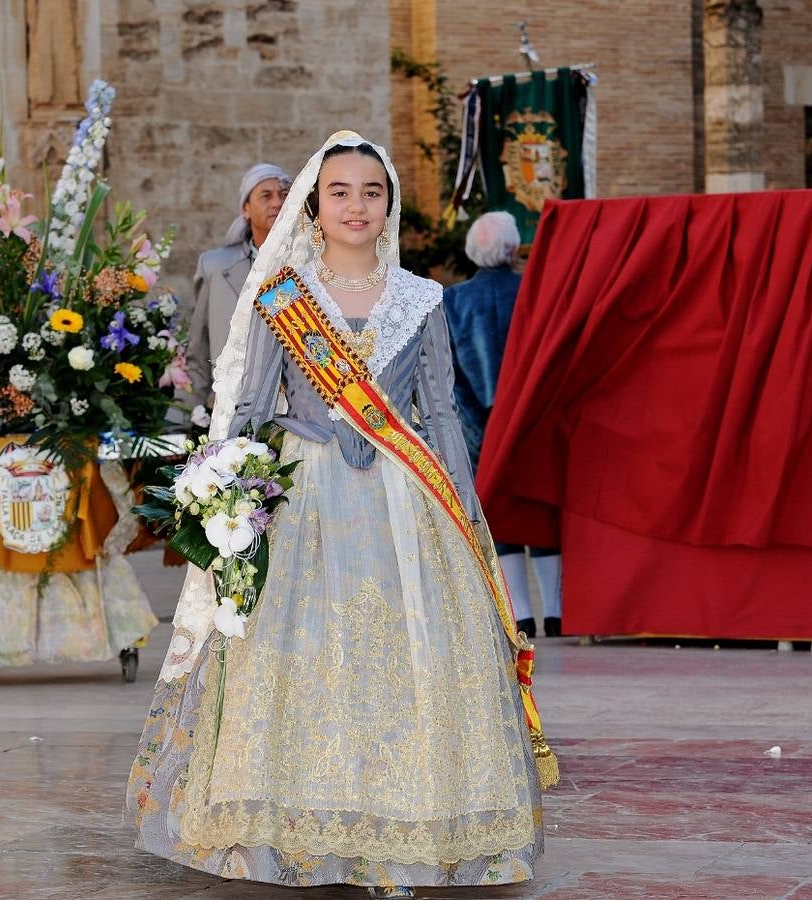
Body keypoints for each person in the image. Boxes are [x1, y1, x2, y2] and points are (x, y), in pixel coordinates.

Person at [127, 132, 551, 898]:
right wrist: (232, 498)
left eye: (372, 192)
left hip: (407, 498)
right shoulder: (281, 294)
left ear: (389, 204)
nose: (357, 206)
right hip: (304, 500)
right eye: (340, 193)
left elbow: (443, 415)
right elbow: (252, 408)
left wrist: (466, 506)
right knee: (308, 651)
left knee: (411, 651)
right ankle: (301, 828)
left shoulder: (423, 298)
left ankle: (410, 823)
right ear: (314, 208)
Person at [443, 211, 563, 638]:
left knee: (501, 516)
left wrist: (475, 431)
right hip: (533, 425)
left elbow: (449, 374)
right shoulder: (538, 294)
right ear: (512, 249)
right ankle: (556, 612)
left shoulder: (451, 301)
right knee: (540, 512)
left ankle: (521, 617)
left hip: (479, 428)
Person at [185, 163, 291, 408]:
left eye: (284, 195)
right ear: (245, 209)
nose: (277, 203)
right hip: (228, 412)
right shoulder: (214, 266)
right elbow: (198, 350)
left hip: (296, 415)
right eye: (266, 195)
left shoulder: (313, 265)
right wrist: (180, 419)